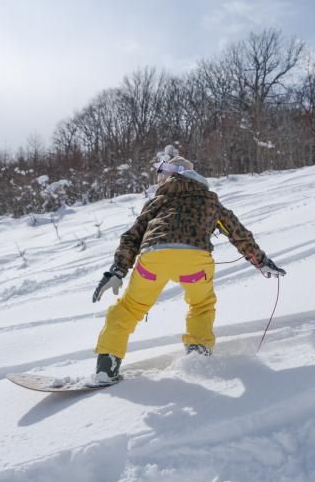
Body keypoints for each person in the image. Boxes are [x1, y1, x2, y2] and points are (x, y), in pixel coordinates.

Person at [91, 146, 286, 383]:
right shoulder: (210, 200)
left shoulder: (158, 201)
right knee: (201, 305)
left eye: (162, 175)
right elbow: (238, 233)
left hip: (154, 259)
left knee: (129, 309)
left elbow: (133, 235)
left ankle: (106, 368)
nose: (160, 180)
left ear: (171, 175)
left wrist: (118, 270)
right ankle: (198, 356)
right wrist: (260, 261)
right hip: (195, 262)